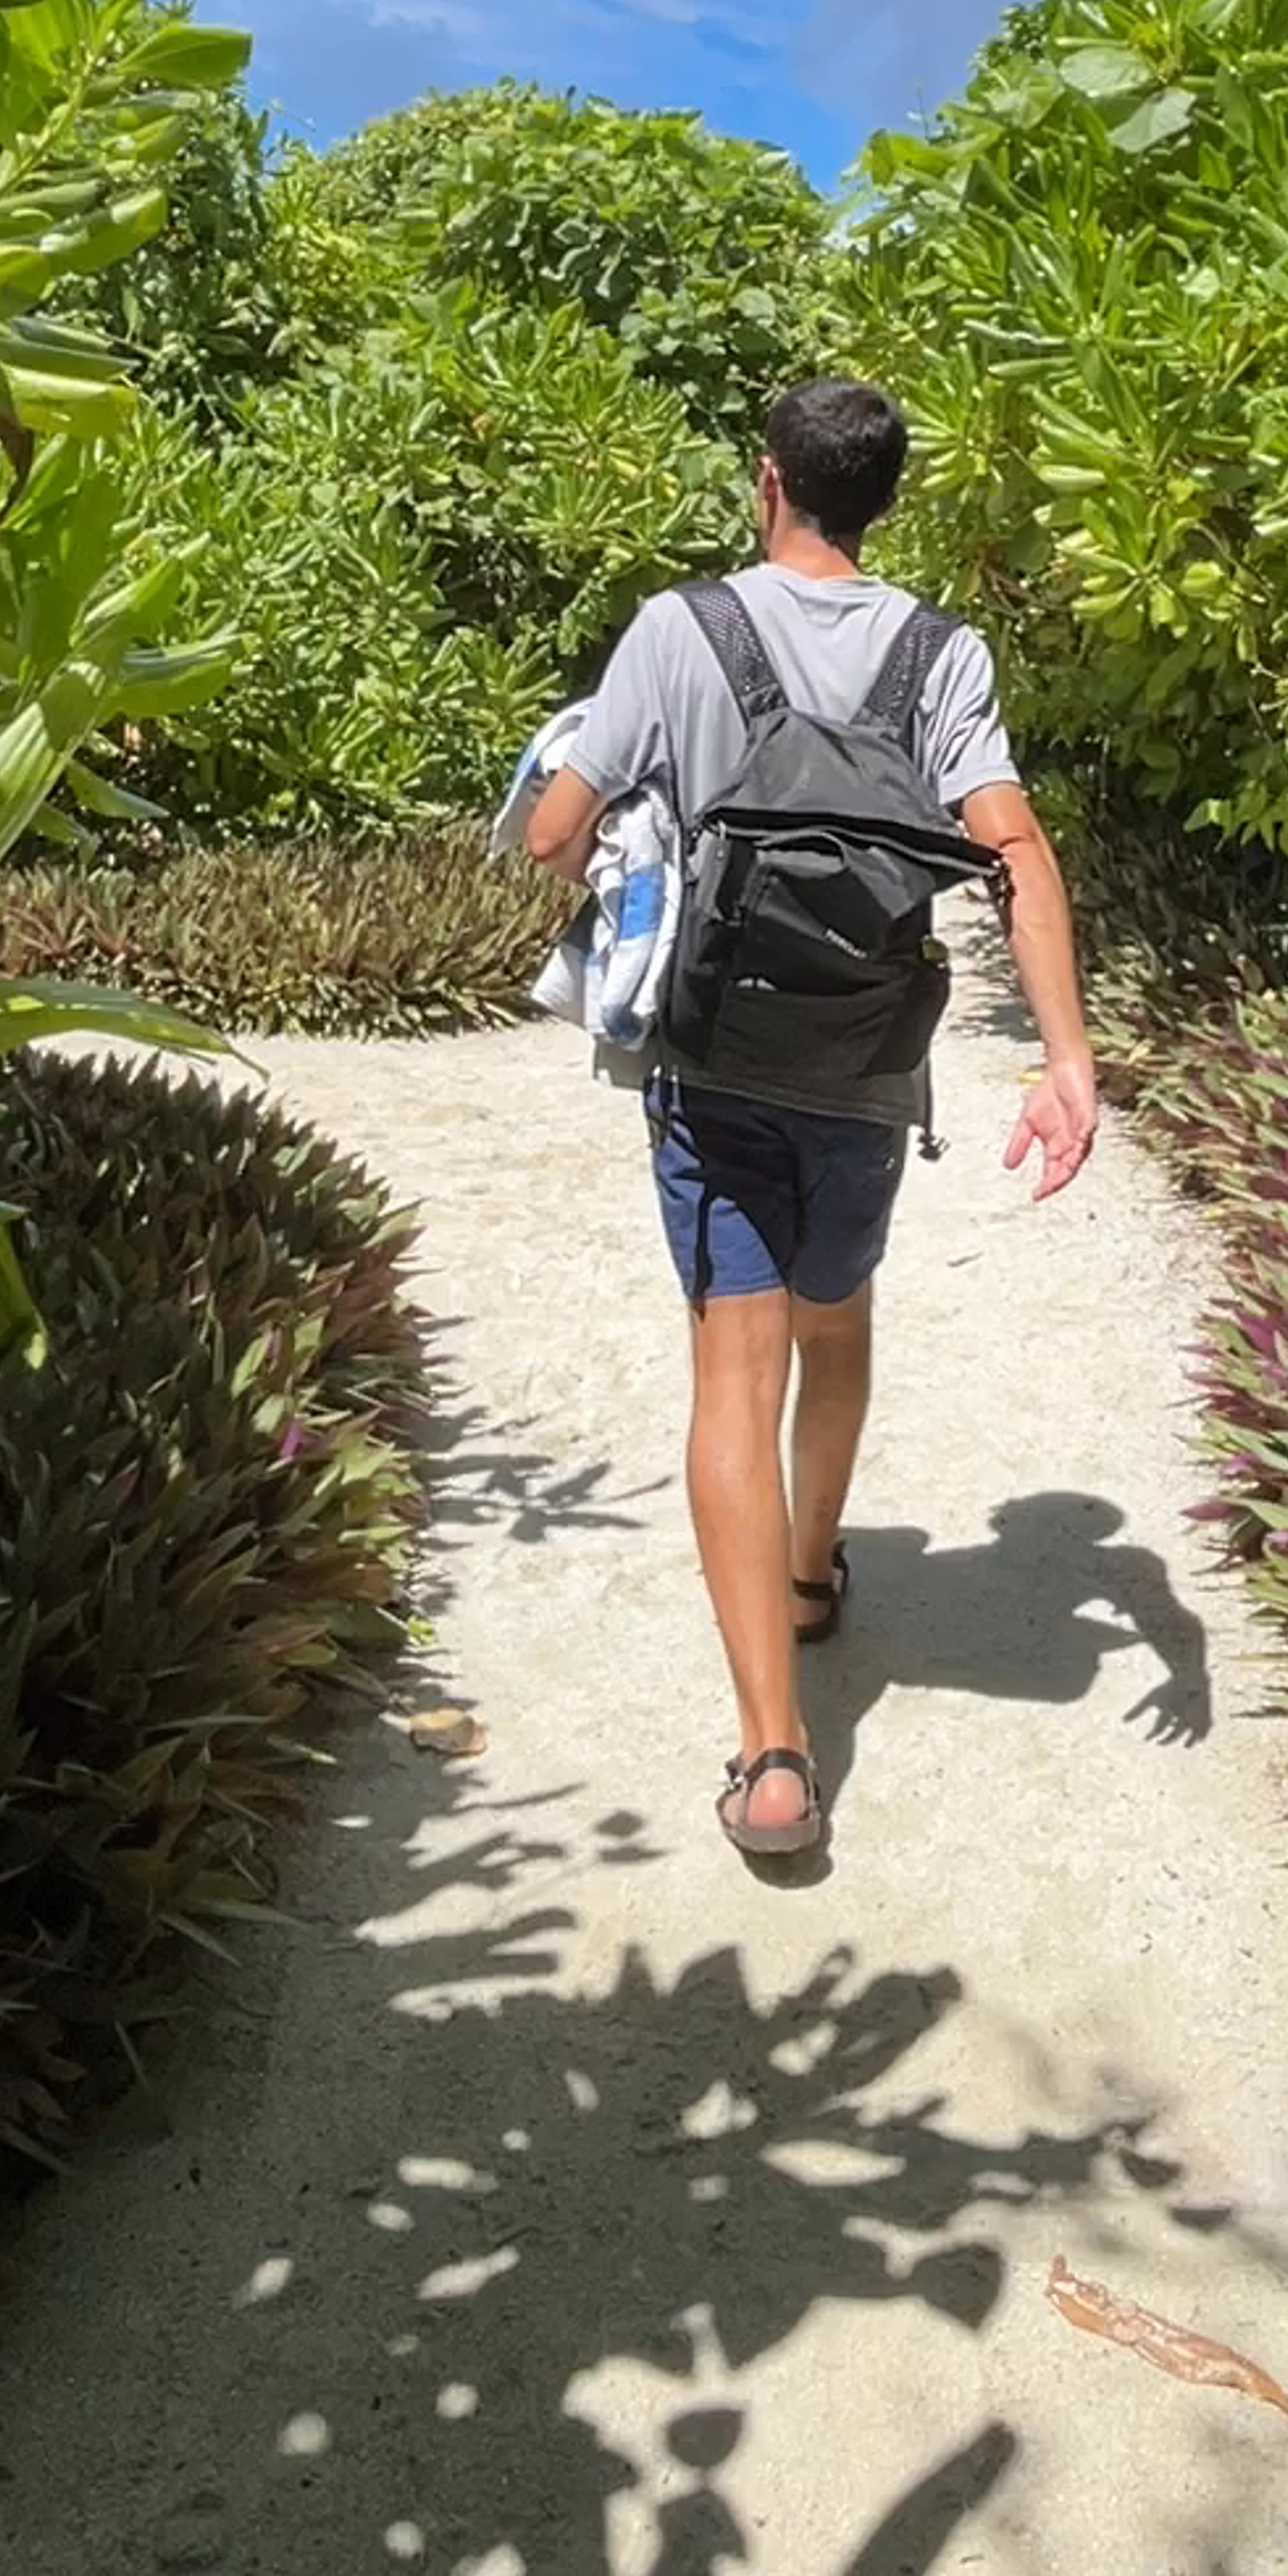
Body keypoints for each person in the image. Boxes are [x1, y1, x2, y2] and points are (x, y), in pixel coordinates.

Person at [522, 376, 1099, 1867]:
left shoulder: (679, 628)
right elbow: (1016, 850)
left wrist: (601, 808)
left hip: (715, 1053)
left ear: (766, 479)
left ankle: (774, 1756)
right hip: (864, 1060)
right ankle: (809, 1569)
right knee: (835, 1322)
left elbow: (550, 833)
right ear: (881, 497)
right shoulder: (940, 650)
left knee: (737, 1358)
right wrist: (1067, 1058)